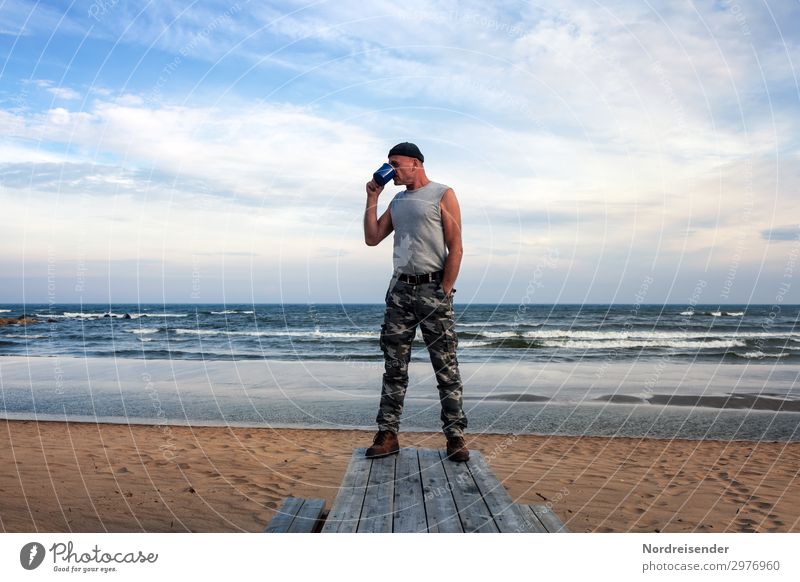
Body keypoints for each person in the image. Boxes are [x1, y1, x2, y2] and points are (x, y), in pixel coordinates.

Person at [363, 142, 469, 462]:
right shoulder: (396, 200)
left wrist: (444, 290)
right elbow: (371, 238)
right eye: (389, 164)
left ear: (415, 163)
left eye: (396, 164)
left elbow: (456, 248)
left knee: (445, 367)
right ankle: (388, 434)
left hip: (433, 288)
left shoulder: (442, 194)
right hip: (400, 292)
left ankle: (455, 436)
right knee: (394, 367)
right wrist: (372, 197)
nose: (391, 170)